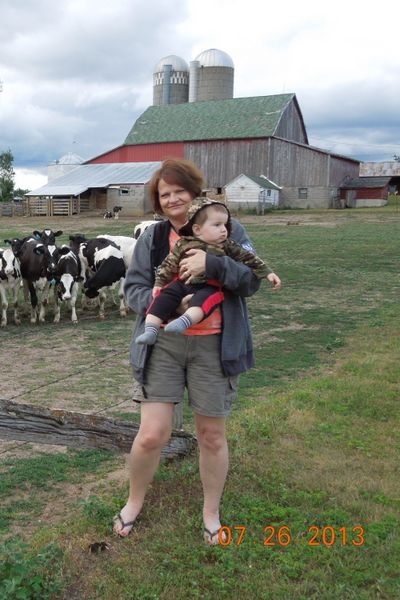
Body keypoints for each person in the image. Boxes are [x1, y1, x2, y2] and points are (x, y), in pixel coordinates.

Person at [113, 158, 269, 545]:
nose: (171, 199)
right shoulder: (152, 238)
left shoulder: (226, 227)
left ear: (194, 191)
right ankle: (134, 502)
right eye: (163, 194)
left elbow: (251, 281)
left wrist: (212, 263)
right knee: (151, 435)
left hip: (215, 345)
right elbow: (132, 288)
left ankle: (211, 511)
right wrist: (151, 300)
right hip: (163, 344)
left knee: (211, 434)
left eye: (178, 191)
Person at [135, 198, 281, 346]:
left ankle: (183, 322)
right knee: (162, 297)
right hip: (181, 282)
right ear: (197, 229)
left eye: (225, 224)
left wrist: (267, 272)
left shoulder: (228, 245)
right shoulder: (184, 243)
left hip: (209, 285)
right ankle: (150, 331)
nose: (224, 229)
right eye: (217, 225)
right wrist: (159, 283)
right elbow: (168, 264)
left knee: (202, 302)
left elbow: (250, 259)